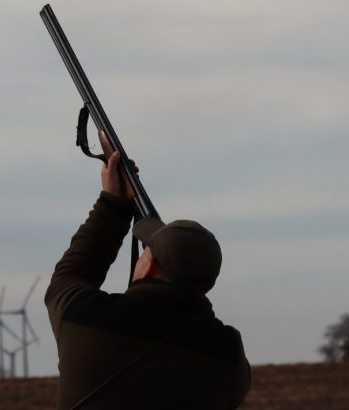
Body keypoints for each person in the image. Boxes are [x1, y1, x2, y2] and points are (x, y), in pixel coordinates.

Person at [44, 149, 251, 409]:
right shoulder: (227, 355)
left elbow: (69, 275)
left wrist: (112, 204)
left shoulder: (86, 317)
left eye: (146, 250)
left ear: (150, 264)